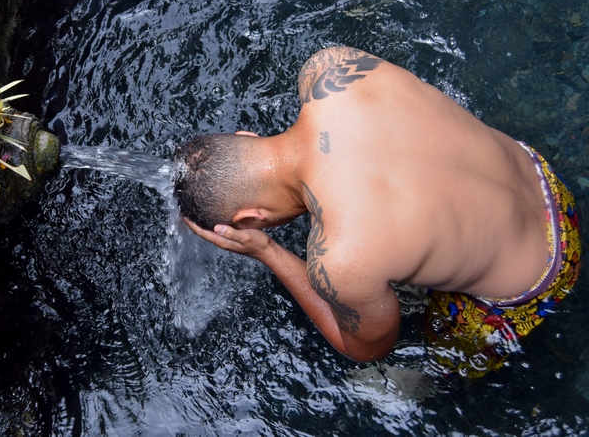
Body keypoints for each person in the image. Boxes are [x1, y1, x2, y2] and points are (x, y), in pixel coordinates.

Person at [173, 46, 581, 377]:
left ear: (250, 220)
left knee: (428, 363)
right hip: (547, 185)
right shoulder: (328, 68)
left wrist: (268, 251)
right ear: (247, 135)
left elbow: (365, 350)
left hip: (545, 274)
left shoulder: (340, 259)